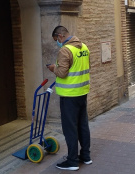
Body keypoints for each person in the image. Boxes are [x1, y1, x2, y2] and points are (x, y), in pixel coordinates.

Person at [47, 25, 92, 171]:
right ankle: (86, 156)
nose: (57, 43)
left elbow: (62, 73)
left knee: (70, 128)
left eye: (56, 40)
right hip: (82, 92)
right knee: (83, 125)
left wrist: (53, 68)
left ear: (60, 36)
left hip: (69, 96)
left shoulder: (65, 50)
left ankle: (72, 161)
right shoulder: (84, 47)